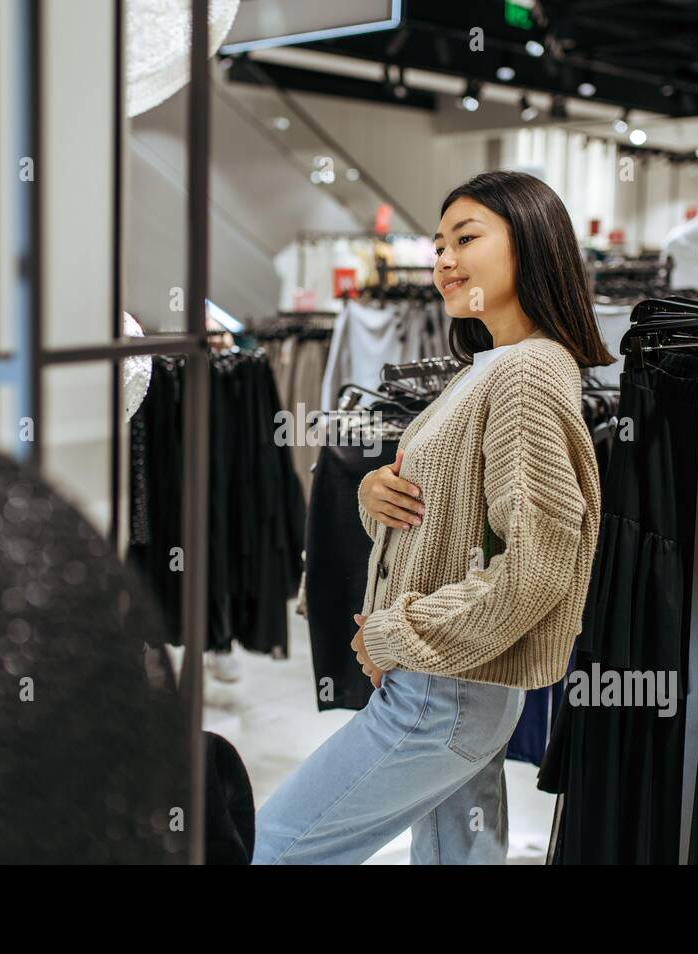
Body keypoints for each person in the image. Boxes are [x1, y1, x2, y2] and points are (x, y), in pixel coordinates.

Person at [252, 170, 612, 864]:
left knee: (277, 847)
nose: (443, 259)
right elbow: (454, 509)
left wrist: (394, 633)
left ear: (531, 244)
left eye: (466, 239)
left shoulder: (527, 374)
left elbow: (538, 566)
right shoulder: (489, 364)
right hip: (456, 682)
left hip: (442, 689)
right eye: (438, 244)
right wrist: (373, 497)